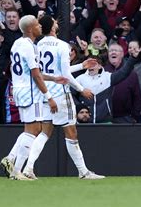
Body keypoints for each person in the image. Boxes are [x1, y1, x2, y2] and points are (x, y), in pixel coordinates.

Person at [21, 16, 104, 180]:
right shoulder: (62, 45)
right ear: (52, 27)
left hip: (45, 93)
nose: (57, 22)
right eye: (54, 21)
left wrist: (81, 66)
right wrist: (81, 90)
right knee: (71, 132)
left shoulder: (38, 45)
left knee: (45, 133)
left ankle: (28, 168)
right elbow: (64, 75)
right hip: (60, 94)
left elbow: (53, 72)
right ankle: (83, 172)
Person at [0, 15, 66, 180]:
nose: (40, 27)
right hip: (30, 92)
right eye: (37, 24)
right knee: (34, 130)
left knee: (29, 130)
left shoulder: (17, 44)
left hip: (19, 89)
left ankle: (11, 162)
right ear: (30, 29)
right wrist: (49, 97)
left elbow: (33, 73)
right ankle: (15, 169)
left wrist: (53, 78)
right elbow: (36, 75)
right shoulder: (30, 47)